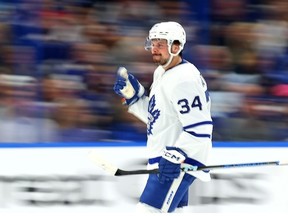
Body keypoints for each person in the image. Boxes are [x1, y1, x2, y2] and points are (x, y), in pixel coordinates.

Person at [113, 21, 213, 213]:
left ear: (176, 47)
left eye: (160, 44)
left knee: (148, 211)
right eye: (153, 43)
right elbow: (159, 119)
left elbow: (201, 128)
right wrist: (134, 98)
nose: (154, 48)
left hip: (179, 161)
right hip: (169, 157)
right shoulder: (162, 72)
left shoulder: (184, 79)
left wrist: (176, 155)